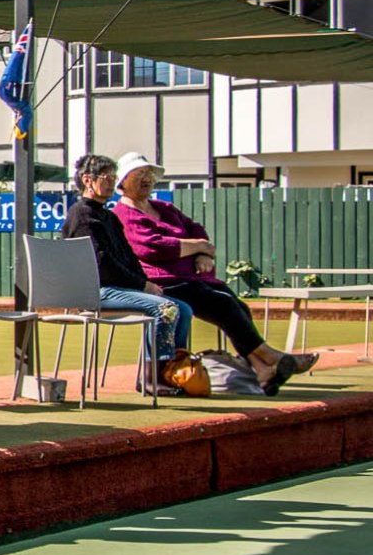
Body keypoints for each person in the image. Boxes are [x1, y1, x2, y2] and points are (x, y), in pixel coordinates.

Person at [109, 152, 317, 393]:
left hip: (195, 278)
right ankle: (270, 358)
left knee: (239, 307)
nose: (147, 179)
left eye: (149, 174)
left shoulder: (164, 207)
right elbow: (151, 246)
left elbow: (196, 229)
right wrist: (198, 246)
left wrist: (203, 253)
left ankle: (263, 370)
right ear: (123, 182)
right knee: (224, 305)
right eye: (139, 175)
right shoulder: (124, 215)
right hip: (164, 282)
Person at [58, 153, 193, 390]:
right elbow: (102, 265)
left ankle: (172, 370)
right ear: (88, 180)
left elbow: (128, 259)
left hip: (115, 288)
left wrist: (147, 283)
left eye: (114, 176)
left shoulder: (108, 217)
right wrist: (142, 286)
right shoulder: (81, 215)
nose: (112, 182)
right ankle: (152, 378)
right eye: (106, 177)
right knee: (166, 308)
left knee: (184, 308)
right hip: (95, 291)